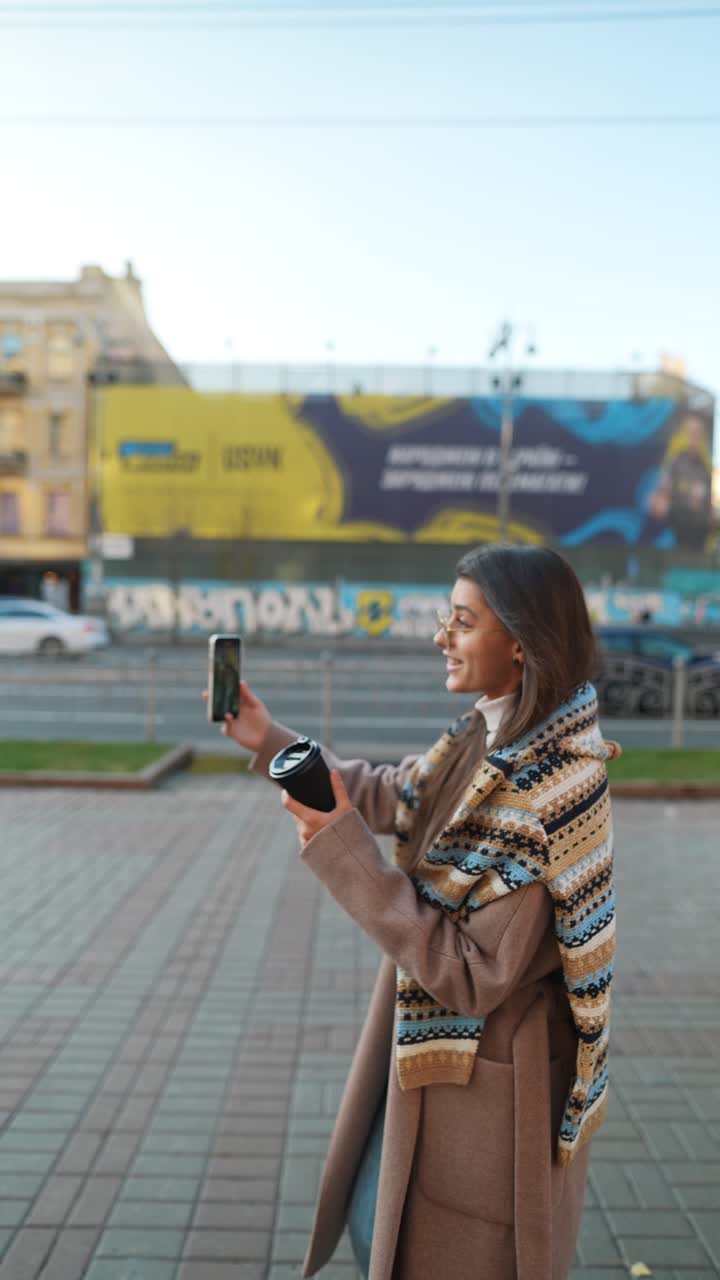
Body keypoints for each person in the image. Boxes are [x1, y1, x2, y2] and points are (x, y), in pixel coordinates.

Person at [211, 544, 619, 1280]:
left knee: (419, 1247)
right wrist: (268, 739)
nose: (440, 637)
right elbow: (396, 796)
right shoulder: (487, 734)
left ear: (520, 642)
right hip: (431, 1058)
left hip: (485, 1082)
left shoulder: (549, 794)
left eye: (461, 621)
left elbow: (472, 975)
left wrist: (344, 850)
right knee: (376, 1228)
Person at [647, 411, 713, 552]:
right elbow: (660, 501)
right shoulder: (674, 462)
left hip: (699, 538)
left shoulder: (706, 468)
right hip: (674, 535)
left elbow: (709, 509)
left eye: (698, 433)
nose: (694, 437)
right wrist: (662, 498)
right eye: (690, 432)